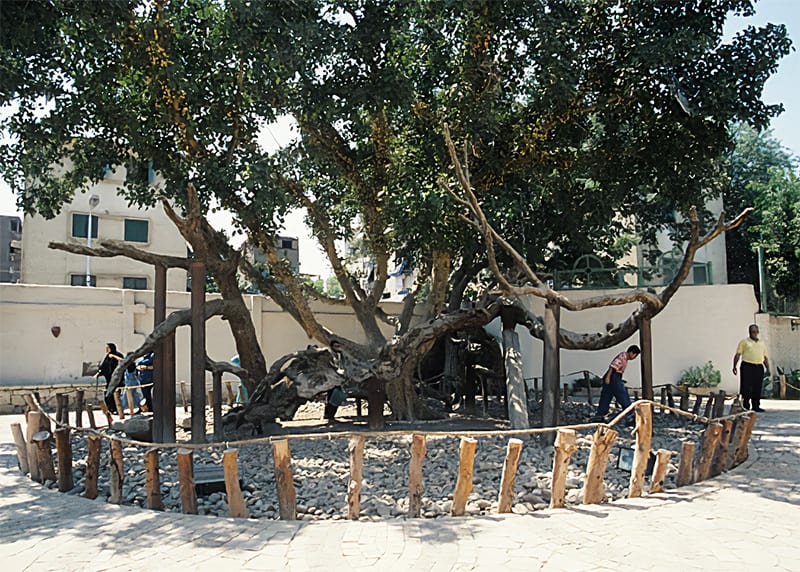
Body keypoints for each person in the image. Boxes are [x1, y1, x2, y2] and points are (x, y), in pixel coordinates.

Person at [590, 345, 641, 426]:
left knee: (606, 396)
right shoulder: (622, 356)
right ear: (632, 353)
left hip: (615, 376)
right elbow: (613, 366)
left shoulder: (625, 358)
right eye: (635, 355)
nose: (634, 357)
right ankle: (630, 415)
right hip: (614, 377)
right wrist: (608, 377)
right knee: (623, 396)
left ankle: (599, 416)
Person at [732, 324, 770, 412]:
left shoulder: (762, 343)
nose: (755, 333)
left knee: (757, 387)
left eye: (756, 332)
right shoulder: (744, 342)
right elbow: (738, 354)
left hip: (758, 367)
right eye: (753, 332)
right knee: (746, 386)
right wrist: (734, 366)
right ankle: (746, 405)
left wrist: (768, 368)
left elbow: (765, 357)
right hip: (747, 366)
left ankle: (756, 405)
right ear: (749, 332)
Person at [95, 342, 123, 414]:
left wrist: (113, 356)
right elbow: (103, 367)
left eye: (108, 348)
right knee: (107, 395)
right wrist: (99, 373)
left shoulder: (118, 355)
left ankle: (116, 409)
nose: (106, 349)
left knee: (115, 395)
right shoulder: (107, 356)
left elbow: (122, 362)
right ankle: (110, 409)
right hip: (109, 379)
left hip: (117, 380)